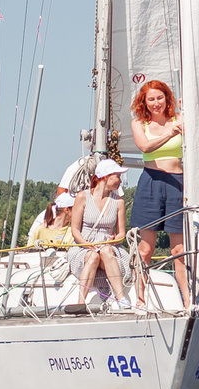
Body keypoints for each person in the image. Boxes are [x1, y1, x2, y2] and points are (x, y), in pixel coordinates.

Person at [125, 80, 191, 312]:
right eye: (151, 99)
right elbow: (145, 147)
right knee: (146, 249)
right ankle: (140, 299)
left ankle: (187, 302)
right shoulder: (139, 123)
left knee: (178, 250)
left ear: (167, 98)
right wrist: (170, 133)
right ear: (144, 102)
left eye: (160, 98)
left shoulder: (180, 120)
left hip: (177, 183)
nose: (156, 103)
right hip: (151, 182)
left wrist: (186, 109)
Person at [71, 160, 141, 310]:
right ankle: (80, 302)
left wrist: (113, 241)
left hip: (109, 246)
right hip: (83, 246)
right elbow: (75, 230)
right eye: (117, 176)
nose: (120, 181)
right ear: (105, 177)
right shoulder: (82, 197)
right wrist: (87, 244)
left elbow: (121, 232)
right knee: (92, 256)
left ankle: (121, 297)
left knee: (106, 252)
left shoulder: (118, 201)